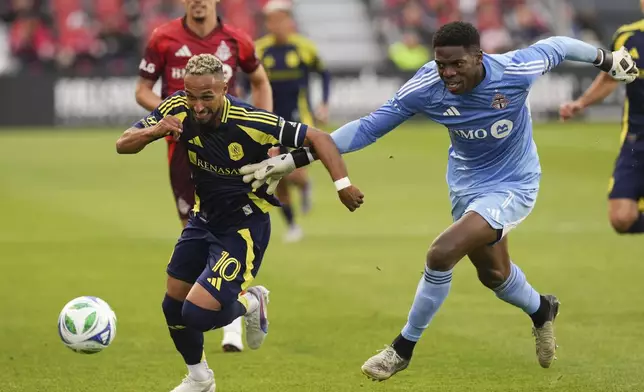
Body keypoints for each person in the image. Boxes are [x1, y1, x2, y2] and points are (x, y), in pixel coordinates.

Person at [239, 21, 637, 380]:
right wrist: (295, 158)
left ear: (479, 57)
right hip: (465, 185)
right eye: (441, 65)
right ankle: (541, 309)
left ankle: (402, 348)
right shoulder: (427, 85)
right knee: (494, 276)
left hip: (514, 183)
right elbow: (368, 128)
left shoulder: (515, 69)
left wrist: (607, 59)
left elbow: (560, 45)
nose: (447, 74)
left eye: (457, 64)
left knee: (441, 253)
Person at [117, 54, 364, 392]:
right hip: (202, 220)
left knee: (197, 316)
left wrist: (343, 185)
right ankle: (200, 379)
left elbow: (321, 138)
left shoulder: (251, 120)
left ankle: (252, 301)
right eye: (191, 96)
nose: (197, 105)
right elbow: (123, 144)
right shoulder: (176, 106)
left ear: (224, 89)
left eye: (207, 97)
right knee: (171, 304)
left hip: (242, 229)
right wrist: (156, 131)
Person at [135, 0, 273, 352]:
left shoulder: (237, 39)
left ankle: (232, 323)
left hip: (232, 149)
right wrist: (166, 118)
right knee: (195, 226)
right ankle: (228, 308)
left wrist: (264, 137)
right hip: (182, 148)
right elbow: (142, 89)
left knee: (233, 227)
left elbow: (259, 80)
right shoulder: (163, 37)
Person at [560, 3, 644, 235]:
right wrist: (581, 103)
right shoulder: (628, 38)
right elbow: (609, 78)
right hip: (637, 140)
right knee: (621, 218)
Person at [253, 0, 332, 242]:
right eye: (272, 20)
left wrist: (323, 103)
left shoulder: (303, 48)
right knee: (275, 176)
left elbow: (324, 74)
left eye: (281, 19)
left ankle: (305, 186)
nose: (277, 25)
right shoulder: (259, 50)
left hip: (299, 121)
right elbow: (249, 83)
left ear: (289, 21)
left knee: (293, 172)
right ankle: (292, 225)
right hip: (269, 122)